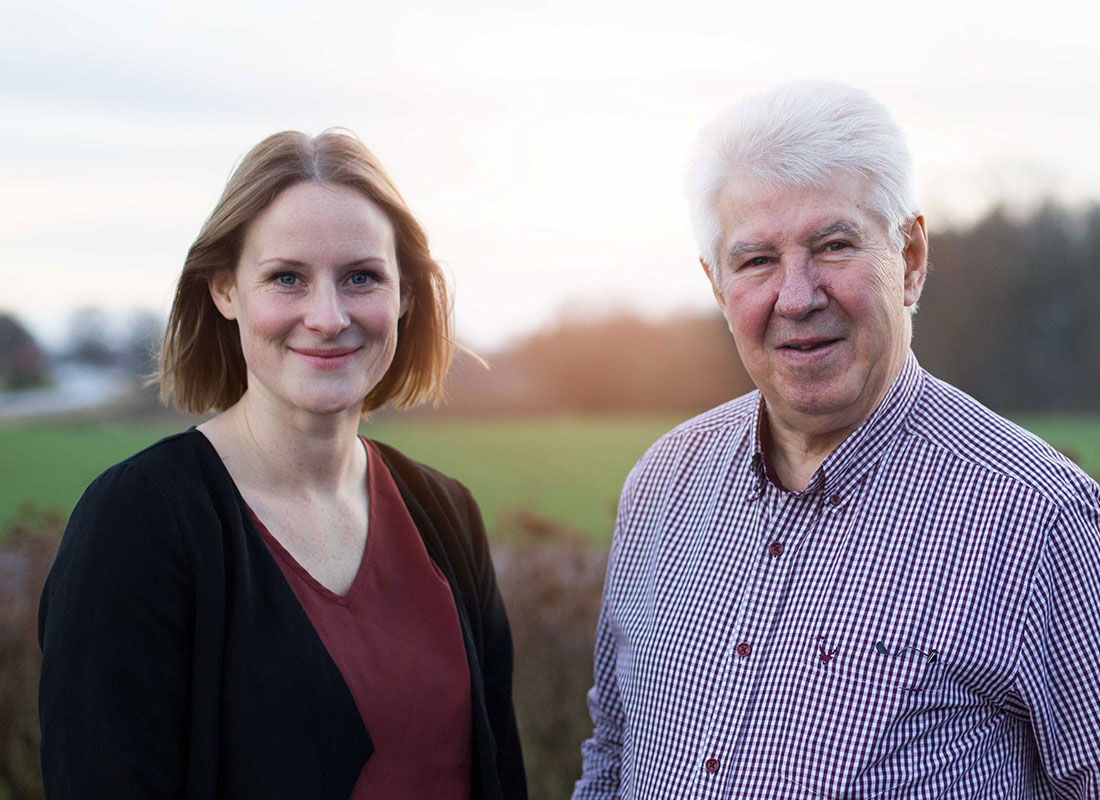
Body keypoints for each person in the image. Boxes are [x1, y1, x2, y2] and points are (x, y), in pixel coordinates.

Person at [573, 82, 1100, 799]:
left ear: (908, 257)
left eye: (833, 245)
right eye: (756, 260)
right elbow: (613, 750)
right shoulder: (662, 485)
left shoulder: (1040, 519)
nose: (796, 297)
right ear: (718, 286)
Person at [38, 130, 527, 800]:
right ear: (224, 290)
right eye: (286, 278)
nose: (327, 317)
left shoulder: (446, 514)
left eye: (361, 277)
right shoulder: (138, 520)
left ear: (405, 295)